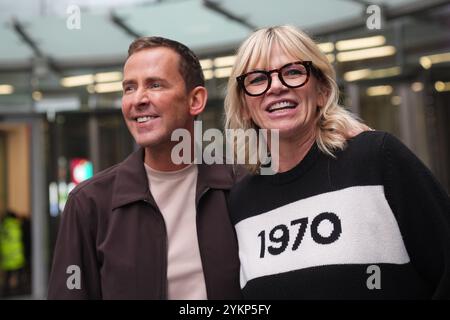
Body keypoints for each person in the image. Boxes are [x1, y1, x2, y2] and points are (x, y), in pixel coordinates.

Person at [224, 25, 450, 299]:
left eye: (294, 72)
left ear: (321, 90)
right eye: (257, 79)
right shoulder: (241, 201)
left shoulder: (376, 158)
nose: (277, 86)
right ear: (245, 106)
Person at [48, 36, 242, 299]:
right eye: (129, 88)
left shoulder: (239, 186)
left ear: (195, 101)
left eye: (155, 85)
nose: (137, 99)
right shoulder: (89, 203)